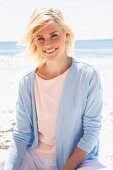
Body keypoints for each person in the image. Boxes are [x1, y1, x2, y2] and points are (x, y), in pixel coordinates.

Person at [3, 7, 107, 170]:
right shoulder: (27, 82)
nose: (48, 44)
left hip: (79, 161)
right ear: (34, 42)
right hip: (35, 158)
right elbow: (21, 134)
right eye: (40, 38)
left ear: (66, 35)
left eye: (54, 35)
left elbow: (91, 132)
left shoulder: (87, 75)